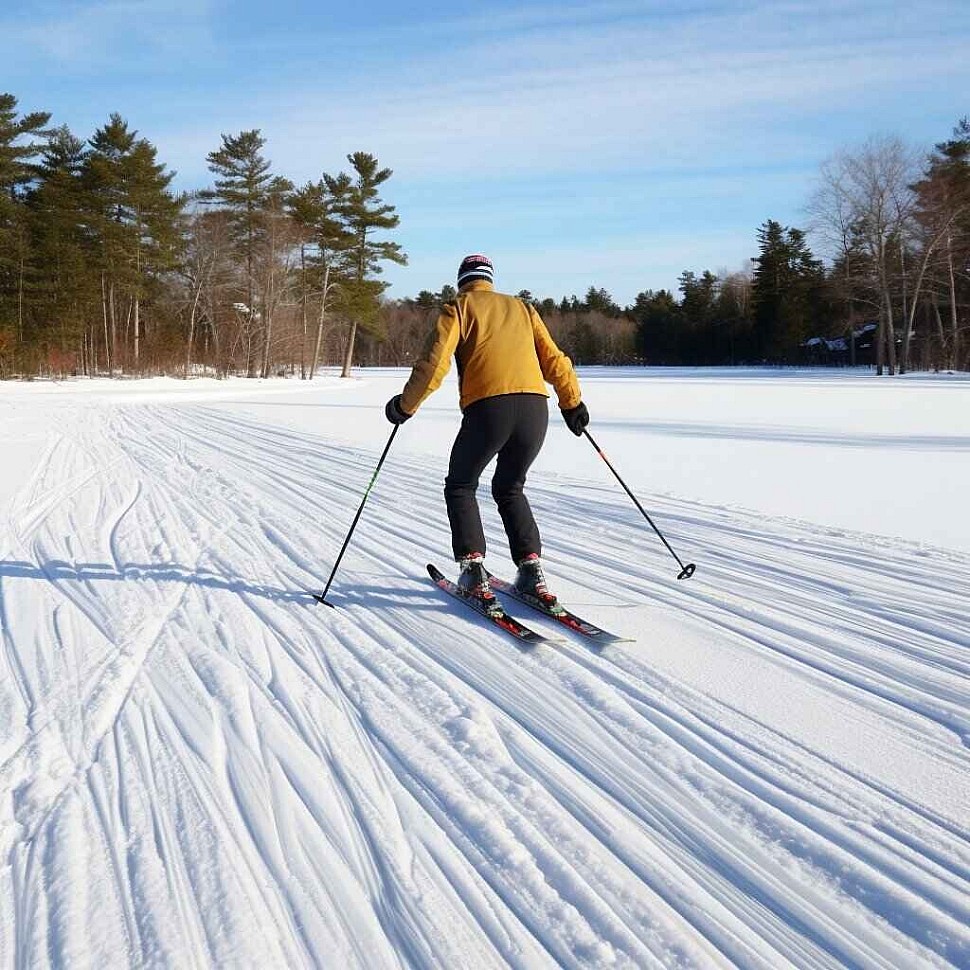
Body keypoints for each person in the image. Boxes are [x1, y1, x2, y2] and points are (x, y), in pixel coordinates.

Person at [384, 254, 589, 613]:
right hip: (534, 411)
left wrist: (405, 406)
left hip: (488, 409)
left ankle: (473, 570)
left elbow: (434, 365)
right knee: (510, 487)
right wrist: (572, 403)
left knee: (461, 485)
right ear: (489, 280)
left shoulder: (459, 307)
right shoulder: (524, 309)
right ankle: (531, 572)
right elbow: (555, 360)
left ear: (462, 281)